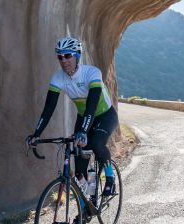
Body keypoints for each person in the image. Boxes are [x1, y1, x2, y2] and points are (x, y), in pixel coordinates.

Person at [26, 37, 118, 197]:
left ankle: (110, 178)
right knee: (80, 171)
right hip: (83, 118)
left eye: (67, 55)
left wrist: (83, 131)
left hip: (105, 115)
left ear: (77, 56)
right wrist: (36, 134)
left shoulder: (91, 73)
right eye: (60, 57)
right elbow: (48, 109)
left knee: (96, 143)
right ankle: (85, 209)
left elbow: (92, 104)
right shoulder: (58, 78)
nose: (63, 60)